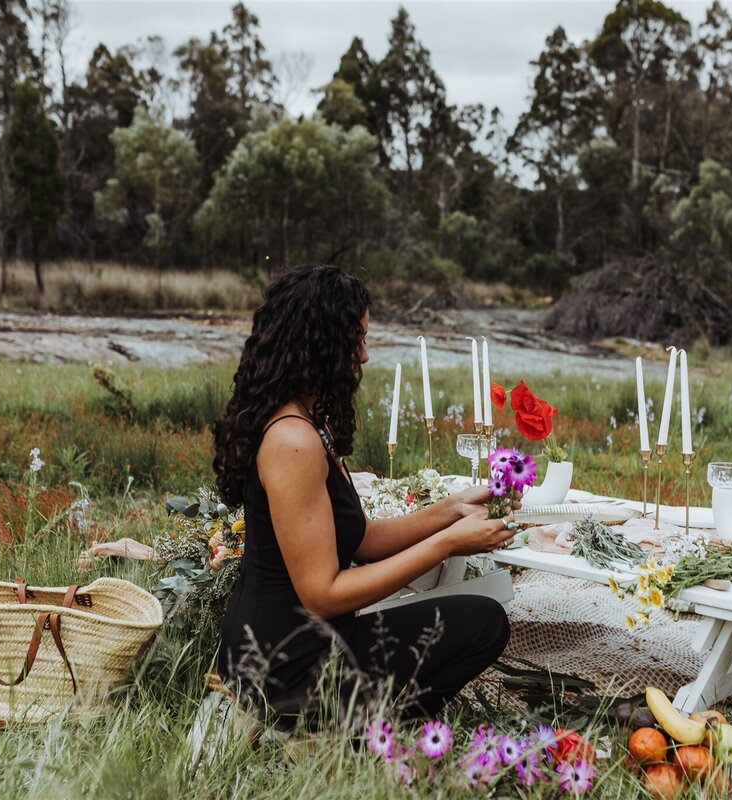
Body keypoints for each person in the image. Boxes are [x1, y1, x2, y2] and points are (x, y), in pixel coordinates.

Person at [213, 265, 514, 728]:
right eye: (357, 338)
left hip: (315, 639)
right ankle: (333, 732)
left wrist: (452, 509)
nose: (365, 355)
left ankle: (360, 725)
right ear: (320, 342)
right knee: (482, 625)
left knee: (482, 619)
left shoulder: (307, 422)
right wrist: (449, 544)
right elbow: (323, 595)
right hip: (282, 665)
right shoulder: (292, 440)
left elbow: (364, 540)